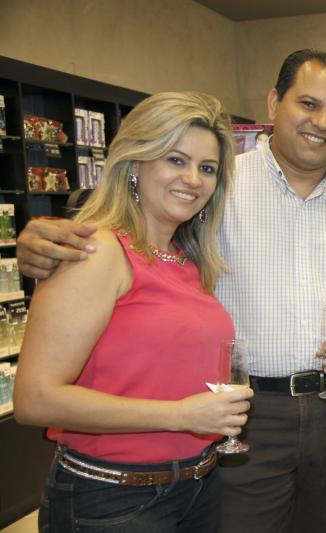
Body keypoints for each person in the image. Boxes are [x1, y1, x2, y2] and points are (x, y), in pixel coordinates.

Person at [15, 50, 326, 533]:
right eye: (308, 104)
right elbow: (125, 226)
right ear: (274, 102)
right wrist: (42, 238)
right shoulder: (219, 188)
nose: (321, 123)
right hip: (242, 415)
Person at [13, 91, 253, 532]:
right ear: (134, 164)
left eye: (207, 168)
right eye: (176, 160)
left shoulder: (188, 260)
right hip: (113, 498)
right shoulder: (97, 250)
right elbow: (34, 399)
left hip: (197, 486)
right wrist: (181, 415)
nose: (193, 179)